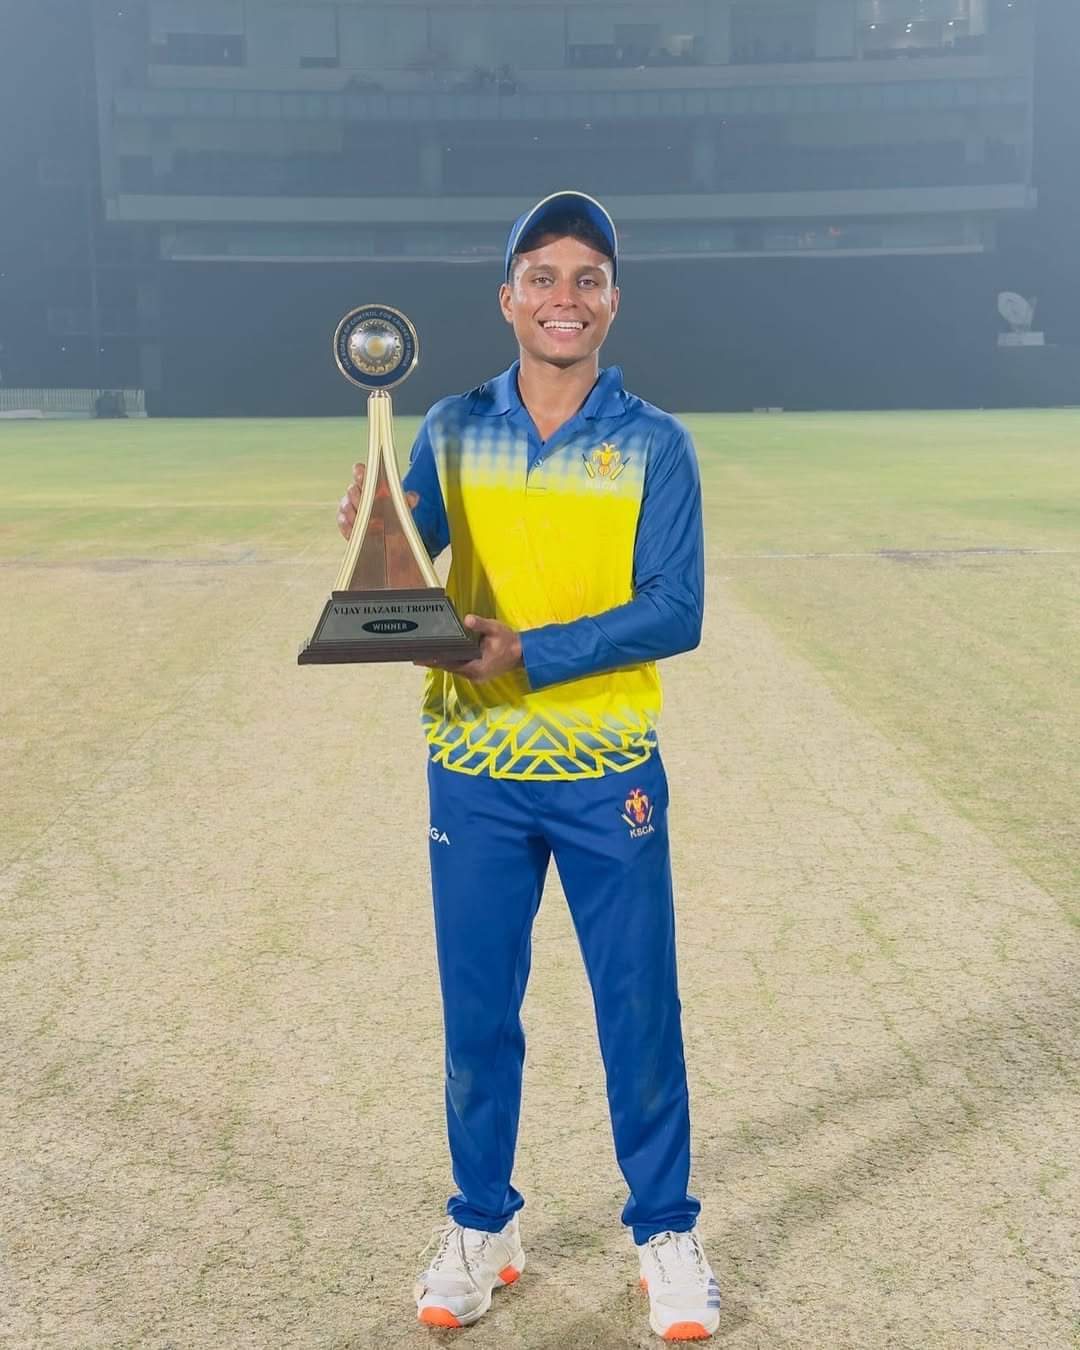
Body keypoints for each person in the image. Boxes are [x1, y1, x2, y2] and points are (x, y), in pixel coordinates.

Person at [336, 190, 719, 1342]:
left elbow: (677, 610)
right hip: (476, 770)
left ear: (613, 301)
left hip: (609, 771)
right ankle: (483, 1226)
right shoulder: (452, 426)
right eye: (543, 276)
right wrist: (371, 533)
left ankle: (663, 1232)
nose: (566, 296)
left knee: (638, 1008)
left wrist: (528, 654)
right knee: (478, 1013)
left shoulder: (654, 441)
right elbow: (392, 592)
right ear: (507, 298)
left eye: (588, 277)